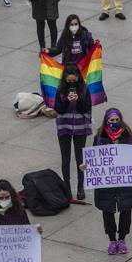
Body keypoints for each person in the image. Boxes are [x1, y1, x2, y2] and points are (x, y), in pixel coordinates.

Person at [80, 108, 132, 255]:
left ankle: (122, 239)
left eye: (117, 120)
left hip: (125, 183)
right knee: (107, 212)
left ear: (120, 119)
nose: (114, 123)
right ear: (106, 121)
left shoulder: (129, 136)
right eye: (111, 120)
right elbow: (93, 158)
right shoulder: (99, 136)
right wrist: (85, 166)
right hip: (106, 184)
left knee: (126, 211)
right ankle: (111, 240)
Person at [54, 63, 92, 200]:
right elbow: (58, 108)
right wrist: (67, 102)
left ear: (78, 77)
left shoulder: (84, 89)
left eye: (73, 80)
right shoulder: (60, 90)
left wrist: (78, 100)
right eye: (68, 81)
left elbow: (86, 107)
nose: (71, 83)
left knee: (80, 159)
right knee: (65, 159)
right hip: (64, 127)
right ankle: (67, 188)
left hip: (80, 128)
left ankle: (80, 187)